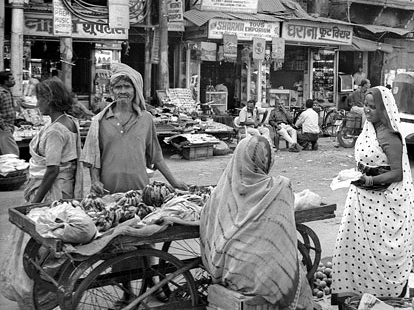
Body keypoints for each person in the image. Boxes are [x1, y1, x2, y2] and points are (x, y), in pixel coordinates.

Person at [199, 136, 314, 309]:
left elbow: (207, 221)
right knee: (295, 268)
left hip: (224, 270)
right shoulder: (280, 187)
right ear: (265, 161)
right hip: (263, 276)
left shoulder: (220, 191)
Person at [0, 79, 84, 309]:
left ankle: (39, 295)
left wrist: (35, 202)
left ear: (50, 99)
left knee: (40, 249)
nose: (37, 104)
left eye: (40, 99)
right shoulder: (67, 122)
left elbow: (53, 169)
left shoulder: (57, 130)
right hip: (62, 189)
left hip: (52, 193)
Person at [332, 86, 414, 304]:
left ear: (384, 109)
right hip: (360, 201)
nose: (367, 110)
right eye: (365, 105)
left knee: (377, 254)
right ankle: (353, 297)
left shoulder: (389, 136)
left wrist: (369, 180)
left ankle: (381, 299)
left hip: (380, 205)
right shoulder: (369, 129)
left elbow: (397, 173)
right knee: (351, 249)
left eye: (372, 106)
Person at [82, 63, 186, 194]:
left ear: (135, 90)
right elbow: (94, 157)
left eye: (127, 87)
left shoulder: (146, 119)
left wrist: (174, 181)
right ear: (112, 91)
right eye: (118, 87)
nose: (123, 91)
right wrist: (95, 181)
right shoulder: (100, 121)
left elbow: (156, 157)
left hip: (140, 190)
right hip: (108, 191)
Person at [0, 71, 19, 156]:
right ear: (5, 81)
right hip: (4, 128)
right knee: (12, 154)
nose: (14, 80)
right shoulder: (1, 93)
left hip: (9, 126)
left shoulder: (8, 92)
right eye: (11, 79)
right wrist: (4, 127)